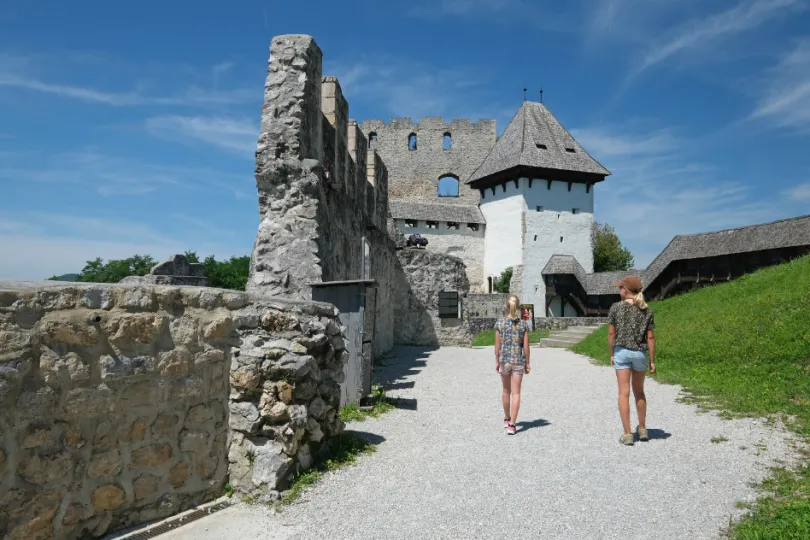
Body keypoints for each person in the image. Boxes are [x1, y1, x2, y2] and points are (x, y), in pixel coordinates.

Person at [608, 276, 656, 446]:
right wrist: (652, 360)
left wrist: (612, 352)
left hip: (622, 352)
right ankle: (642, 428)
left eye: (620, 287)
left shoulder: (616, 308)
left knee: (624, 392)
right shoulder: (646, 310)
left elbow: (612, 334)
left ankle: (628, 434)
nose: (618, 290)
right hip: (639, 354)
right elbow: (650, 337)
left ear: (625, 290)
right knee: (639, 392)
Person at [494, 295, 531, 435]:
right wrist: (528, 363)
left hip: (505, 360)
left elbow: (497, 347)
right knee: (516, 393)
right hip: (518, 362)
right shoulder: (523, 325)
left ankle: (506, 418)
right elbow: (526, 348)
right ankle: (512, 424)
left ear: (506, 308)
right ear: (519, 308)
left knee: (505, 391)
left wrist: (497, 361)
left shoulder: (499, 324)